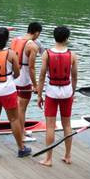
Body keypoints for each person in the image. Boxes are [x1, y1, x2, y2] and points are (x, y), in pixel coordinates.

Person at [0, 27, 31, 158]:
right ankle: (21, 148)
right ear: (7, 39)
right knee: (14, 119)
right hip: (7, 90)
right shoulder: (11, 54)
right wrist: (9, 79)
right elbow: (17, 73)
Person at [35, 25, 78, 166]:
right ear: (67, 38)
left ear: (54, 37)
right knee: (67, 125)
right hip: (66, 91)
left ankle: (48, 159)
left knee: (50, 126)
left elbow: (41, 76)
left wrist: (39, 95)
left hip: (52, 92)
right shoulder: (72, 55)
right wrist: (73, 92)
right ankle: (68, 156)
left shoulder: (46, 53)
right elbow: (74, 76)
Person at [11, 22, 43, 141]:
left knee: (18, 107)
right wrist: (35, 86)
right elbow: (31, 68)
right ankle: (22, 136)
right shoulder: (32, 46)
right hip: (24, 80)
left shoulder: (15, 40)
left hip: (14, 78)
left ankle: (22, 130)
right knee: (22, 109)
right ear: (36, 33)